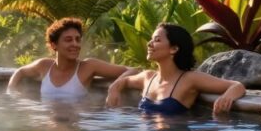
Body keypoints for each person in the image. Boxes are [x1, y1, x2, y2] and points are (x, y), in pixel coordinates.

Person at [105, 23, 245, 114]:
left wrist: (226, 98)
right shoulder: (148, 77)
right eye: (152, 39)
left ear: (174, 49)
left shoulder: (189, 79)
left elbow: (237, 86)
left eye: (157, 40)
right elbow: (125, 81)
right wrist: (114, 89)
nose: (149, 43)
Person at [7, 17, 136, 100]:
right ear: (54, 45)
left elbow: (134, 70)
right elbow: (21, 71)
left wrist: (115, 87)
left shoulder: (88, 66)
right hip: (48, 122)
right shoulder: (44, 65)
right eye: (68, 40)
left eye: (77, 39)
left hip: (73, 125)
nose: (75, 44)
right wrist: (11, 91)